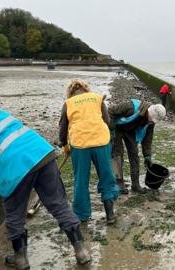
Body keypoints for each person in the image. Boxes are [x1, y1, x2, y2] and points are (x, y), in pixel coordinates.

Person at [0, 91, 90, 269]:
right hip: (41, 153)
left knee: (15, 211)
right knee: (59, 204)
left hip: (17, 167)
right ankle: (81, 251)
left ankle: (20, 259)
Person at [59, 79, 118, 224]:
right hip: (101, 142)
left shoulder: (68, 104)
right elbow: (108, 121)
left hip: (80, 145)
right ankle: (110, 215)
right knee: (106, 176)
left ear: (70, 92)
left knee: (81, 180)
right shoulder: (98, 99)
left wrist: (65, 146)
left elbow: (62, 129)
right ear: (86, 89)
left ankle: (81, 216)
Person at [109, 100, 166, 194]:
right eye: (151, 118)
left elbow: (147, 139)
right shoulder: (130, 107)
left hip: (130, 131)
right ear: (149, 111)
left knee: (134, 155)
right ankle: (119, 184)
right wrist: (111, 129)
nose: (151, 121)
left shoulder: (151, 122)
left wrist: (147, 156)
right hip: (117, 127)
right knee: (117, 155)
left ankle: (135, 185)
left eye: (153, 120)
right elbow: (111, 110)